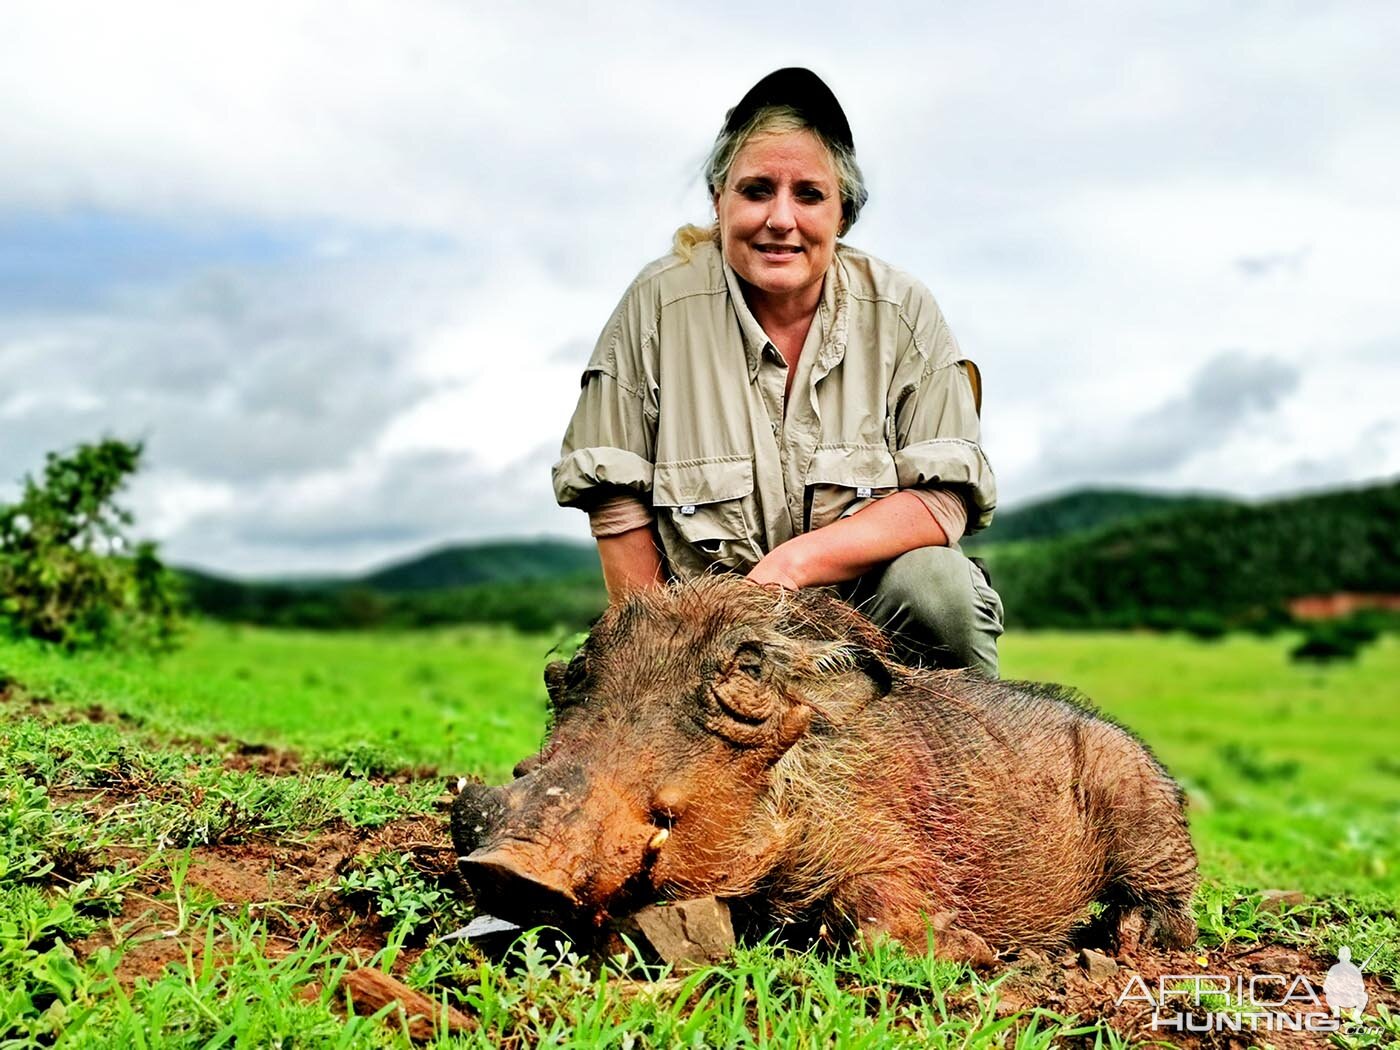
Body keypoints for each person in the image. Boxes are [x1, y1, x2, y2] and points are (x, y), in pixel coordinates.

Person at [553, 68, 1004, 676]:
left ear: (843, 214)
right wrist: (662, 669)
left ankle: (972, 765)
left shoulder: (904, 311)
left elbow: (944, 500)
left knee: (938, 585)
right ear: (719, 201)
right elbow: (615, 505)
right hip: (708, 652)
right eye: (757, 190)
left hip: (866, 650)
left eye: (809, 195)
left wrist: (790, 568)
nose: (781, 219)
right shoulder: (656, 306)